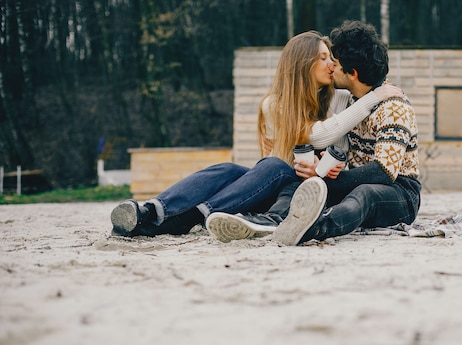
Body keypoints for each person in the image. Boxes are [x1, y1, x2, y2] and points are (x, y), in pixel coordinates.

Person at [110, 30, 403, 237]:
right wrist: (372, 99)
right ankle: (152, 210)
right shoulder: (274, 104)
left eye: (333, 58)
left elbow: (351, 99)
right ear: (303, 64)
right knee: (228, 169)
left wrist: (374, 91)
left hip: (303, 190)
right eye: (324, 58)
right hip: (276, 183)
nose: (332, 64)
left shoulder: (337, 98)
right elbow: (318, 136)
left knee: (272, 167)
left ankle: (180, 218)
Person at [206, 20, 421, 245]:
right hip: (357, 184)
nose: (331, 67)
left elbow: (383, 172)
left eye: (335, 63)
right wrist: (319, 170)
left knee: (366, 194)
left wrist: (326, 178)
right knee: (300, 184)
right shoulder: (353, 103)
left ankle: (314, 229)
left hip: (400, 194)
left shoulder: (393, 106)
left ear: (352, 73)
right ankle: (272, 220)